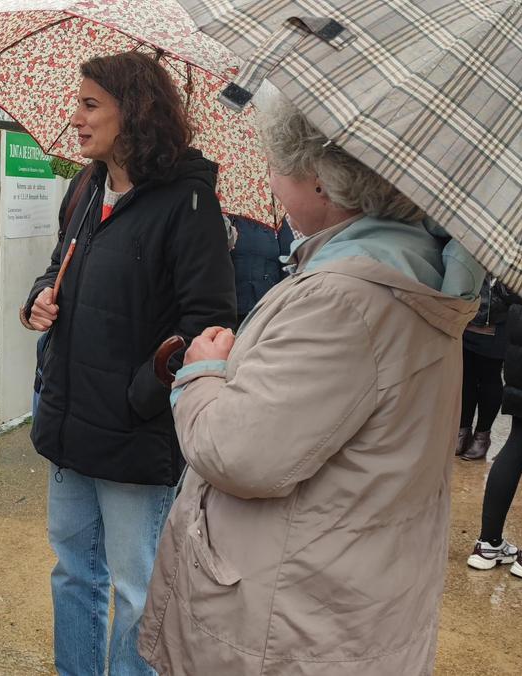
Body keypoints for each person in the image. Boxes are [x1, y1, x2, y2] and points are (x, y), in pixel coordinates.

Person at [139, 97, 483, 674]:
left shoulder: (343, 300)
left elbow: (239, 453)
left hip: (292, 620)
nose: (270, 180)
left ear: (323, 181)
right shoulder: (409, 270)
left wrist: (202, 372)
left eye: (279, 165)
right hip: (347, 596)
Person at [20, 52, 236, 675]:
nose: (77, 117)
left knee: (138, 587)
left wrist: (137, 396)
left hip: (134, 433)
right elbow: (56, 263)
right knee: (72, 573)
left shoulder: (188, 204)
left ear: (133, 112)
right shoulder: (85, 188)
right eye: (78, 101)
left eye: (91, 104)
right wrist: (38, 299)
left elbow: (210, 324)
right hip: (68, 419)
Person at [466, 288, 522, 573]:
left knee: (517, 441)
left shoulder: (513, 254)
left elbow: (504, 290)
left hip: (517, 352)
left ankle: (489, 543)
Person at [457, 277, 509, 460]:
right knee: (465, 377)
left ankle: (482, 436)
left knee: (489, 378)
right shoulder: (481, 249)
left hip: (497, 322)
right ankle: (462, 431)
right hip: (467, 315)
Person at [229, 214, 294, 324]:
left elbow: (288, 260)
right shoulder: (227, 217)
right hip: (233, 305)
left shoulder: (274, 217)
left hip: (267, 305)